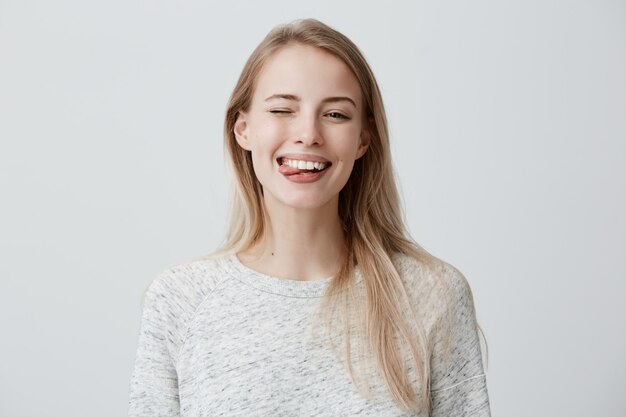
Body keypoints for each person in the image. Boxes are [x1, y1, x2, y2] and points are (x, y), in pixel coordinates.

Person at [127, 18, 490, 417]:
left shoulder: (431, 294)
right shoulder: (181, 299)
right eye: (282, 109)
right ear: (243, 129)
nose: (308, 134)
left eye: (335, 115)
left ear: (363, 140)